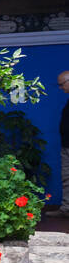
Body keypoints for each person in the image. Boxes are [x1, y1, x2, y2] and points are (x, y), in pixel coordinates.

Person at [61, 70, 69, 215]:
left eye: (62, 84)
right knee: (67, 178)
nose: (61, 88)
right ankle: (66, 208)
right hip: (66, 145)